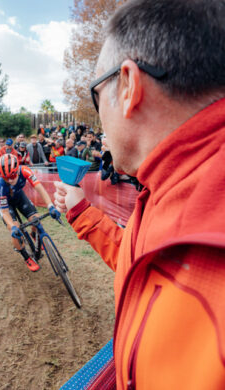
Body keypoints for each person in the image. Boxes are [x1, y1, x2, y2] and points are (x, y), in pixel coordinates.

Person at [54, 0, 225, 388]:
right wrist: (83, 212)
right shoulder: (167, 184)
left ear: (129, 86)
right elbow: (149, 268)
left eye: (95, 95)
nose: (98, 120)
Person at [0, 154, 61, 272]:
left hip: (20, 197)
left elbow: (40, 188)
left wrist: (50, 206)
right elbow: (5, 212)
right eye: (6, 178)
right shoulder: (1, 184)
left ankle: (33, 235)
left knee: (36, 219)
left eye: (12, 176)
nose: (10, 180)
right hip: (7, 205)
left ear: (17, 170)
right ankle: (26, 257)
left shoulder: (25, 170)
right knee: (15, 231)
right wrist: (12, 227)